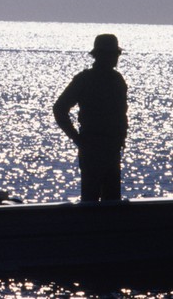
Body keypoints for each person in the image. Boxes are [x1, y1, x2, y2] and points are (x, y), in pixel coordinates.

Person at [53, 33, 128, 202]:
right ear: (100, 55)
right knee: (91, 199)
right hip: (92, 148)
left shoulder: (117, 80)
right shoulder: (85, 79)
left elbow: (121, 114)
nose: (115, 58)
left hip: (112, 148)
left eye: (116, 54)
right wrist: (77, 138)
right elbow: (60, 108)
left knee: (112, 200)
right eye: (112, 54)